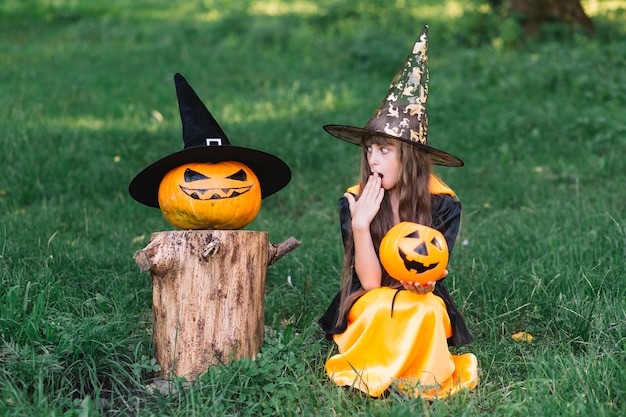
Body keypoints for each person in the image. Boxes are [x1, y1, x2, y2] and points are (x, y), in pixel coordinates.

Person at [318, 26, 478, 399]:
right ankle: (376, 370)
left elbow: (431, 267)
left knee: (424, 311)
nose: (373, 159)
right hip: (370, 295)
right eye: (369, 150)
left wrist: (424, 283)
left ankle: (421, 376)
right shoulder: (354, 200)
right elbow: (371, 284)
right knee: (379, 307)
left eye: (384, 151)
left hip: (420, 294)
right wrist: (361, 225)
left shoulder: (442, 203)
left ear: (409, 157)